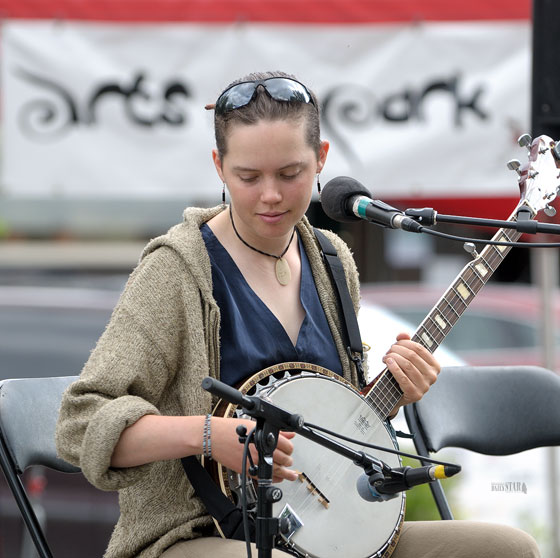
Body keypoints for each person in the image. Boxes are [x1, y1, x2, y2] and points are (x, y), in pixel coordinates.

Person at [55, 70, 540, 558]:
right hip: (199, 532)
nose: (271, 195)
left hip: (328, 532)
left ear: (321, 158)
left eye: (290, 174)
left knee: (504, 547)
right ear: (219, 166)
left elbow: (332, 427)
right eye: (248, 177)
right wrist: (210, 435)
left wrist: (391, 393)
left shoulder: (332, 260)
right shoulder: (176, 272)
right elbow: (80, 423)